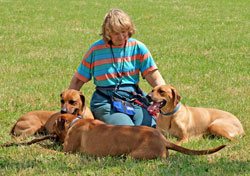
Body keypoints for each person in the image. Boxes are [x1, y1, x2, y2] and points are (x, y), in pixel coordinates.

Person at [69, 8, 165, 127]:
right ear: (108, 33)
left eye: (124, 31)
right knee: (127, 131)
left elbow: (155, 78)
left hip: (133, 99)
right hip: (106, 101)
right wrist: (68, 110)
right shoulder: (95, 50)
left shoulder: (138, 48)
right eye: (116, 32)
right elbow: (78, 81)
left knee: (149, 129)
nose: (121, 36)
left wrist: (166, 98)